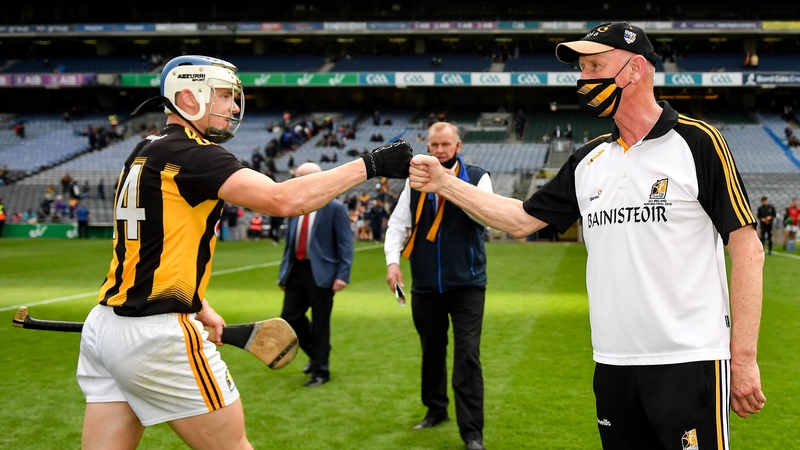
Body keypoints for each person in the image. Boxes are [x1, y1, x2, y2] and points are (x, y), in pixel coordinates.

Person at [408, 22, 766, 450]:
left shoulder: (699, 142)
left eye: (596, 66)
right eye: (581, 69)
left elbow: (748, 250)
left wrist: (743, 358)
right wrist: (445, 184)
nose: (584, 80)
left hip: (688, 360)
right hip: (612, 362)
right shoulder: (588, 159)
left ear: (636, 70)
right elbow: (520, 219)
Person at [76, 55, 411, 450]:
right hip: (154, 334)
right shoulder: (191, 153)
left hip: (106, 326)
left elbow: (152, 252)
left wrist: (200, 307)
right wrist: (371, 164)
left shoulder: (146, 148)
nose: (235, 107)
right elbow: (281, 199)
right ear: (188, 97)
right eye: (224, 97)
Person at [385, 121, 493, 450]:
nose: (439, 151)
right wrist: (392, 262)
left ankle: (472, 432)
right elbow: (399, 223)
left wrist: (448, 186)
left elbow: (485, 215)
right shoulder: (415, 180)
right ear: (428, 146)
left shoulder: (477, 177)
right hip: (426, 284)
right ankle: (435, 410)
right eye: (434, 145)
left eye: (445, 145)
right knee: (431, 351)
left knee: (467, 355)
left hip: (467, 284)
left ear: (458, 146)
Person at [278, 162, 354, 387]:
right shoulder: (294, 206)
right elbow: (289, 244)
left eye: (300, 178)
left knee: (321, 323)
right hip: (298, 270)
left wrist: (342, 275)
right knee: (290, 317)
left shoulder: (334, 208)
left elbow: (345, 244)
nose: (295, 182)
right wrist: (284, 274)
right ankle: (317, 353)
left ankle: (321, 370)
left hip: (323, 273)